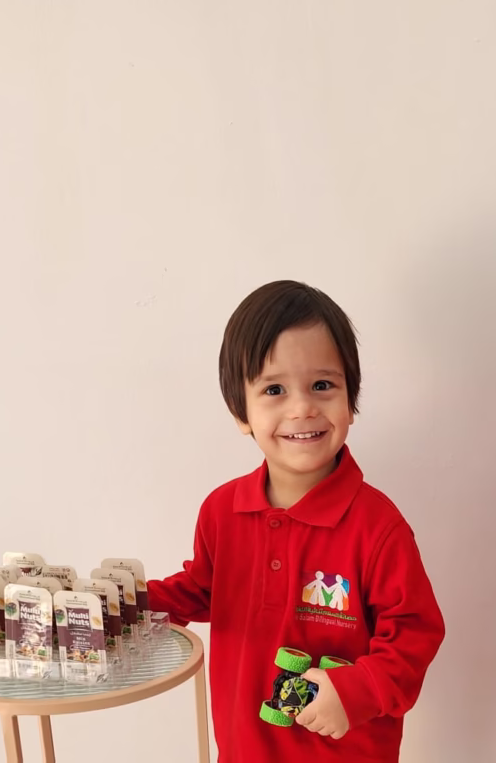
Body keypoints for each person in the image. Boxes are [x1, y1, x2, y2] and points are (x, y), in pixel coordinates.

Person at [147, 280, 445, 762]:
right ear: (241, 412)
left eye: (322, 385)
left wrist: (357, 691)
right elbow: (202, 588)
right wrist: (127, 604)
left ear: (351, 399)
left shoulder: (378, 526)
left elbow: (414, 635)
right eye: (274, 389)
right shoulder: (222, 511)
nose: (302, 407)